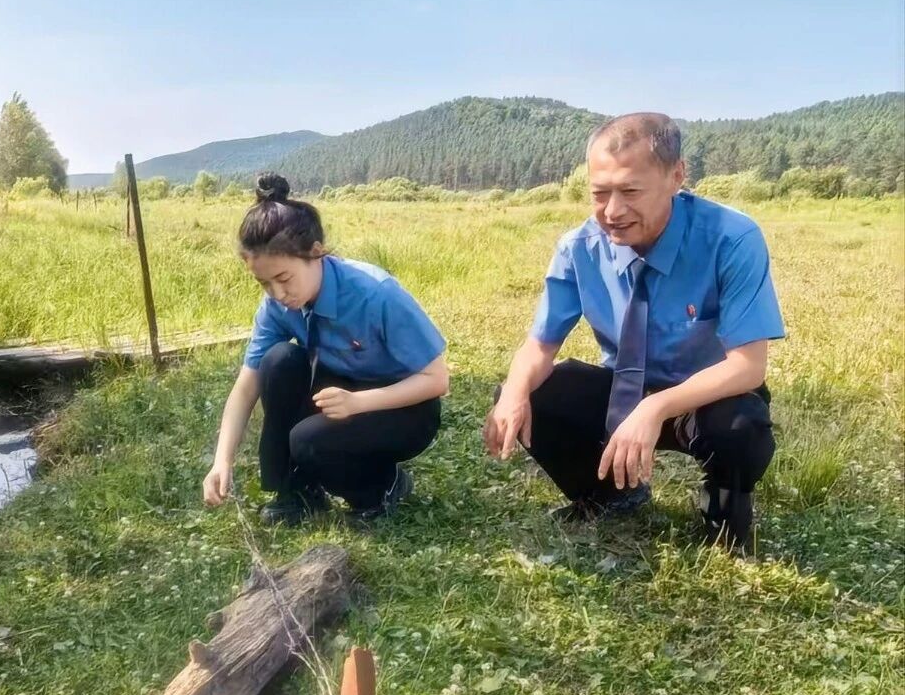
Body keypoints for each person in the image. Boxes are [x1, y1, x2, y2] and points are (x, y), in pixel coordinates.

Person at [483, 112, 785, 551]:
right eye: (599, 194)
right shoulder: (579, 248)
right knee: (530, 391)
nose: (612, 211)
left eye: (630, 191)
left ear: (676, 175)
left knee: (741, 425)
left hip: (703, 397)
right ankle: (610, 494)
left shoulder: (731, 238)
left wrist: (655, 409)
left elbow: (747, 367)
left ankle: (723, 512)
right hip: (624, 388)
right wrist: (512, 394)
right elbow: (540, 344)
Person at [203, 173, 449, 525]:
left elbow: (437, 379)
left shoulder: (375, 293)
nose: (277, 294)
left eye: (284, 278)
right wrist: (221, 460)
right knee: (279, 361)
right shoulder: (276, 306)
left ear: (315, 253)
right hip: (340, 388)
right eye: (264, 283)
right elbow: (246, 387)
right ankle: (297, 492)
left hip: (405, 405)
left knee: (309, 442)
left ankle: (381, 486)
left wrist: (359, 403)